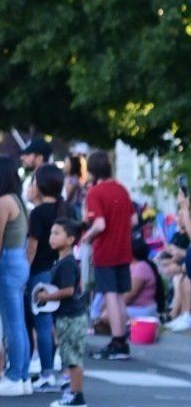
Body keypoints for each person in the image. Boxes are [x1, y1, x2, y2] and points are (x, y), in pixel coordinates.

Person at [0, 147, 33, 394]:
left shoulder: (1, 203)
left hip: (6, 263)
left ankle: (14, 376)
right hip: (19, 261)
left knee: (12, 322)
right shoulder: (17, 200)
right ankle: (22, 376)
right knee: (19, 322)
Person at [82, 149, 134, 361]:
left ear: (92, 170)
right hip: (124, 248)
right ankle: (122, 341)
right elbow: (134, 220)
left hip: (106, 249)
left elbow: (99, 224)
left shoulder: (95, 192)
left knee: (109, 294)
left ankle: (116, 339)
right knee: (120, 295)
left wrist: (88, 236)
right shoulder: (121, 189)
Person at [37, 218, 88, 407]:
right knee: (69, 356)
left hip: (71, 316)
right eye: (51, 233)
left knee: (72, 357)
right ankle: (74, 391)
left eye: (57, 233)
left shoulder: (67, 263)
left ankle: (77, 395)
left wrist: (46, 297)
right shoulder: (62, 261)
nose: (52, 237)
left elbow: (68, 290)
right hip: (67, 316)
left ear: (70, 239)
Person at [22, 161, 65, 387]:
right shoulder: (65, 209)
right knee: (51, 323)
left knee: (41, 323)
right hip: (59, 269)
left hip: (39, 271)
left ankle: (47, 372)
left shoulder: (38, 214)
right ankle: (55, 370)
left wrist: (23, 271)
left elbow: (32, 246)